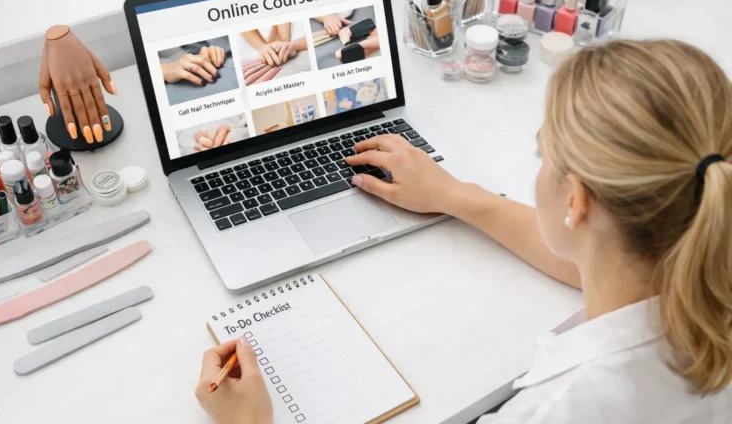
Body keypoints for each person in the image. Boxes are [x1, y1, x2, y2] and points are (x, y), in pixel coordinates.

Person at [195, 40, 732, 423]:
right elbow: (596, 259)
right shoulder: (702, 256)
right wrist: (453, 195)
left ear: (577, 202)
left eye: (543, 153)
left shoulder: (557, 409)